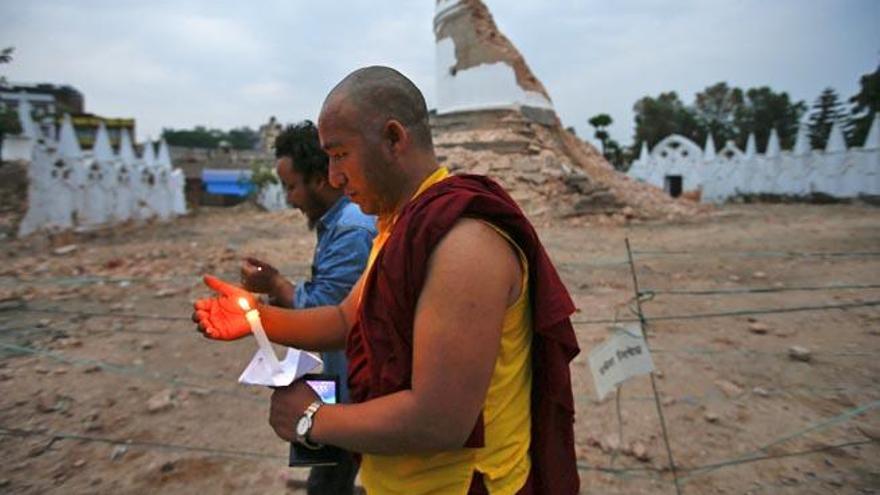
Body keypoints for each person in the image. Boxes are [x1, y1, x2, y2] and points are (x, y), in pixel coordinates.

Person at [193, 66, 580, 494]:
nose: (335, 177)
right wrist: (253, 318)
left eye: (340, 154)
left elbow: (441, 421)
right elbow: (345, 320)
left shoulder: (464, 243)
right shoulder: (398, 226)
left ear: (394, 139)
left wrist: (313, 419)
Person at [239, 120, 375, 495]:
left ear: (320, 179)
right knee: (323, 471)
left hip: (350, 386)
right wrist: (277, 287)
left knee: (326, 480)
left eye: (291, 186)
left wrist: (269, 295)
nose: (289, 198)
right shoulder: (335, 224)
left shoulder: (352, 230)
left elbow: (326, 315)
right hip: (333, 373)